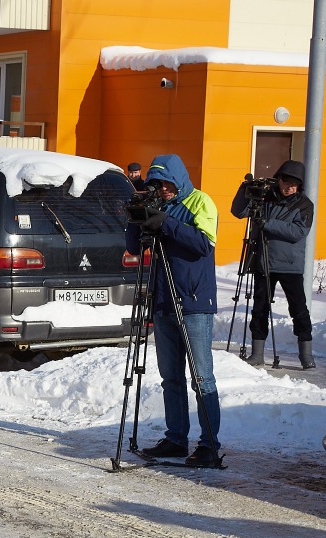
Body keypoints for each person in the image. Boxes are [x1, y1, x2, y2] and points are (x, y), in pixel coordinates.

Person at [125, 154, 221, 467]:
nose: (163, 189)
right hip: (163, 301)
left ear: (178, 179)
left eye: (167, 183)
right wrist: (136, 217)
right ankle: (176, 439)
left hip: (193, 303)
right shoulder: (159, 205)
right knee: (171, 378)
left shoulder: (199, 201)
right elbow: (135, 248)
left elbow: (203, 245)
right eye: (157, 184)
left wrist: (167, 223)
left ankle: (208, 445)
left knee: (202, 379)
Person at [230, 160, 316, 369]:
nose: (290, 188)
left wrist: (267, 223)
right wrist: (245, 190)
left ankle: (306, 355)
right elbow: (238, 212)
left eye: (295, 185)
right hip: (264, 262)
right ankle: (257, 353)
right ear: (279, 180)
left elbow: (298, 232)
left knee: (299, 310)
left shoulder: (304, 204)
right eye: (287, 183)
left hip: (290, 265)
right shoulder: (264, 198)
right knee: (259, 309)